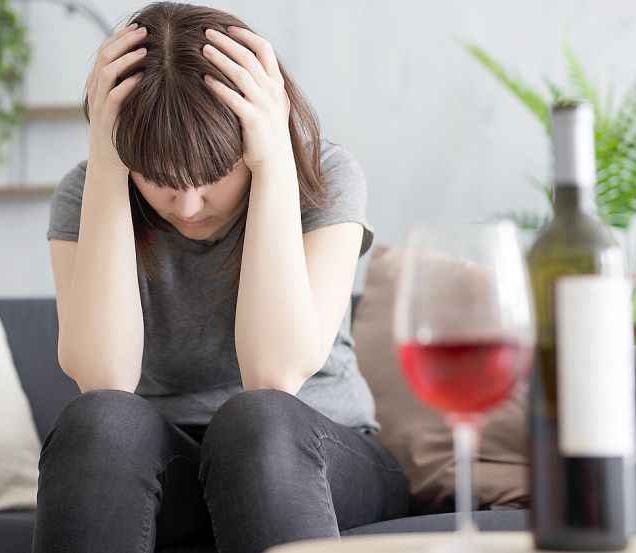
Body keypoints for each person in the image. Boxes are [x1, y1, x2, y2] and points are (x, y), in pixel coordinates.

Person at [31, 2, 411, 552]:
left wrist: (275, 163)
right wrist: (109, 166)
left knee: (258, 422)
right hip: (172, 467)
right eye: (158, 178)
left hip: (316, 451)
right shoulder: (87, 190)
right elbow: (103, 376)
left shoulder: (324, 176)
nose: (187, 206)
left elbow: (274, 375)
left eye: (212, 176)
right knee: (101, 422)